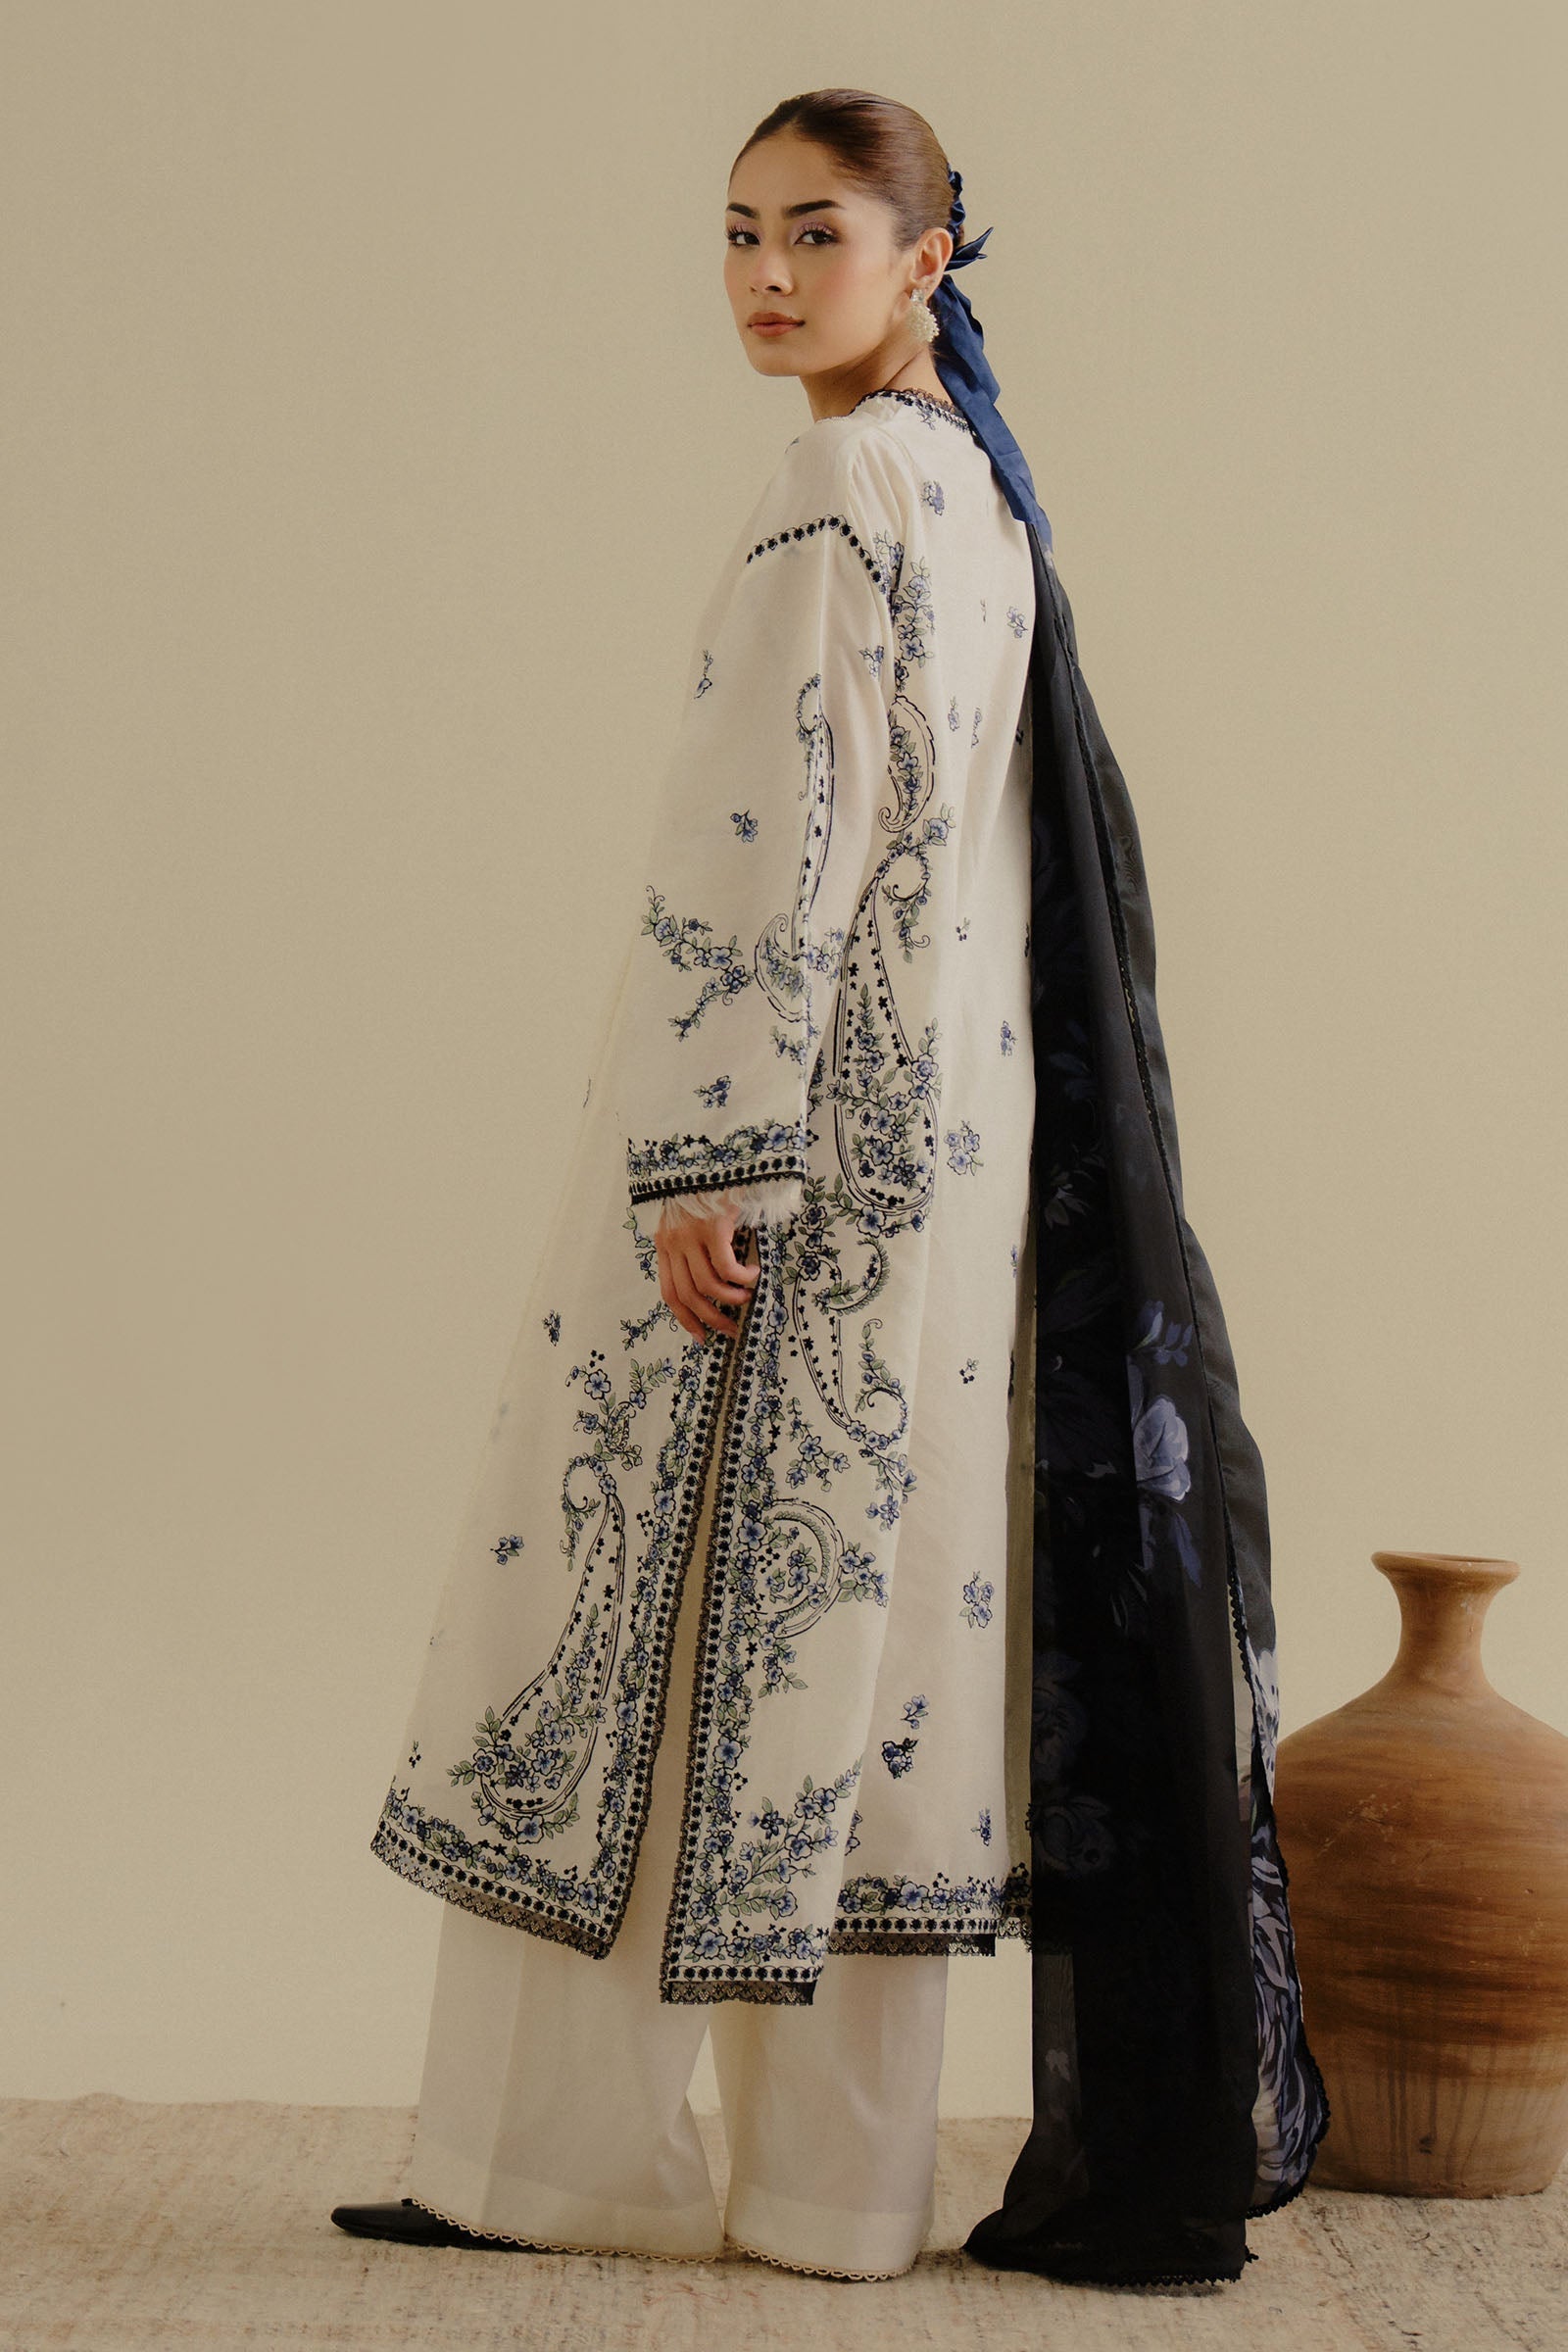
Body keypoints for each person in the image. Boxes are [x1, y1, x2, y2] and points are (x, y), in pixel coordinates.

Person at [332, 86, 1329, 2291]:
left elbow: (767, 829)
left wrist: (713, 1154)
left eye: (815, 233)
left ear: (926, 256)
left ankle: (551, 2168)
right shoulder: (983, 494)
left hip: (774, 1162)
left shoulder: (838, 484)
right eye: (736, 233)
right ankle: (831, 2201)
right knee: (858, 1661)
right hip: (943, 1190)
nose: (767, 277)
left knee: (637, 1628)